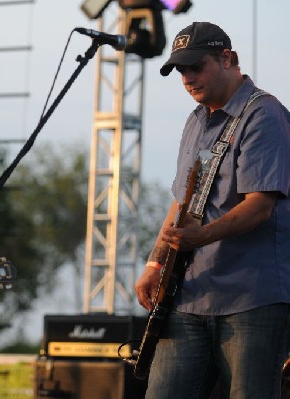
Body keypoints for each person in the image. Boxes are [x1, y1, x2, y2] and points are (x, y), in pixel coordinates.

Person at [135, 22, 290, 398]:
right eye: (181, 71)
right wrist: (155, 265)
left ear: (227, 59)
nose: (187, 78)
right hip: (188, 296)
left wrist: (200, 236)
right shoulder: (196, 120)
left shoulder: (264, 114)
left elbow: (259, 206)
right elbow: (182, 203)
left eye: (195, 66)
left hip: (251, 299)